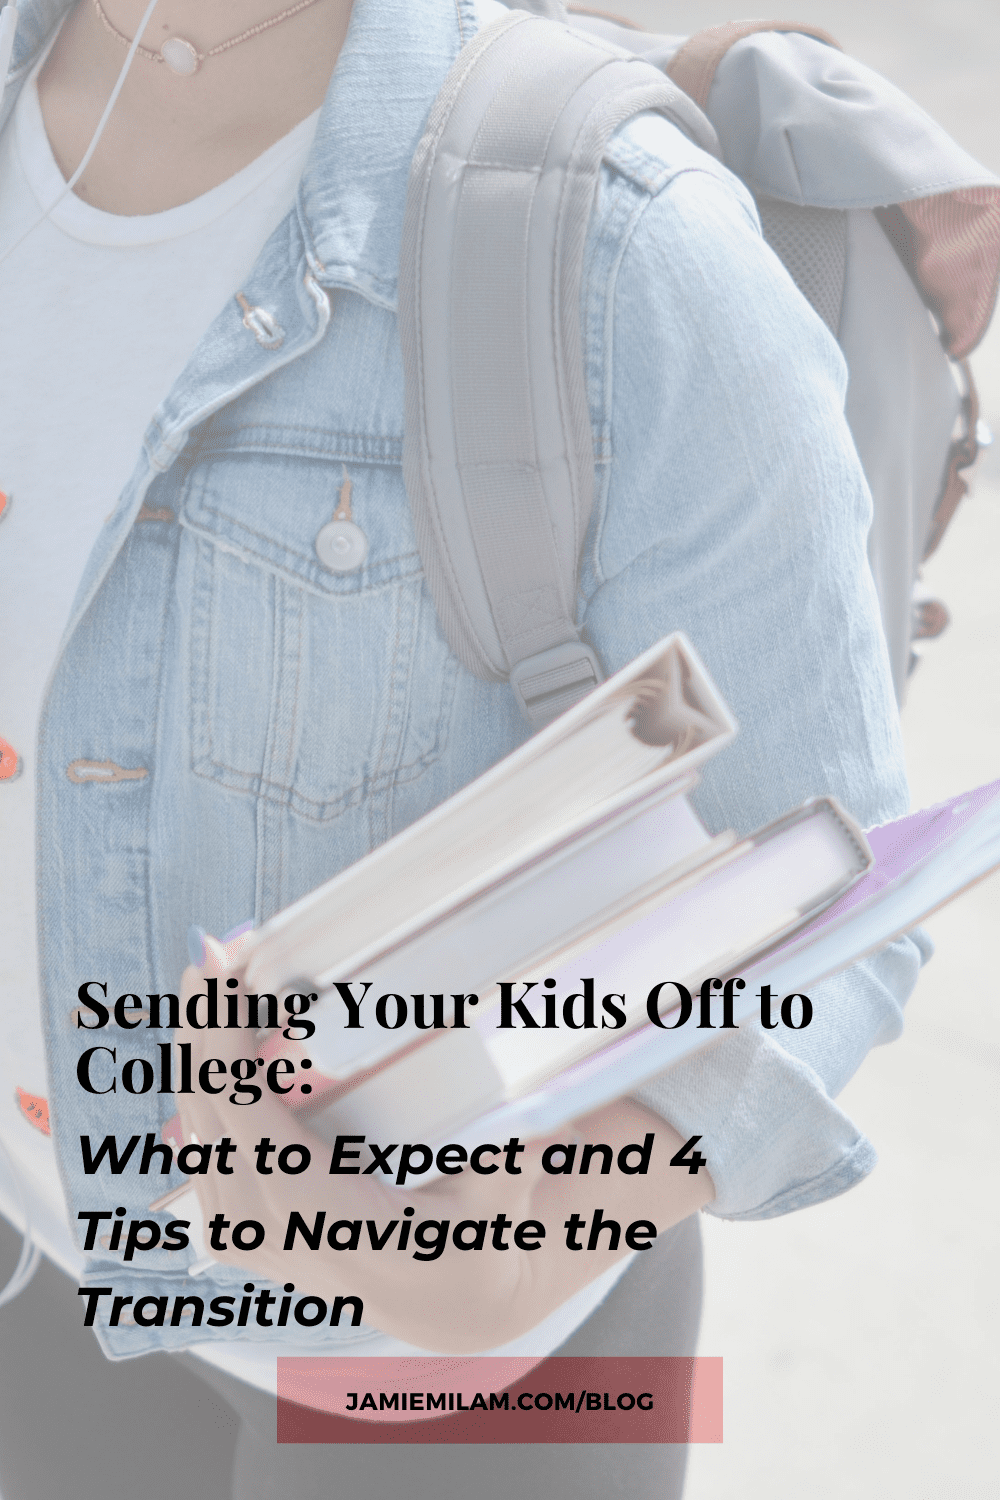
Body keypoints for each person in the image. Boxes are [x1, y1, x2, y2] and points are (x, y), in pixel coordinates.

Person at [0, 0, 927, 1495]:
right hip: (50, 1266)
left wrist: (474, 1269)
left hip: (494, 1380)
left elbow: (828, 902)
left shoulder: (622, 245)